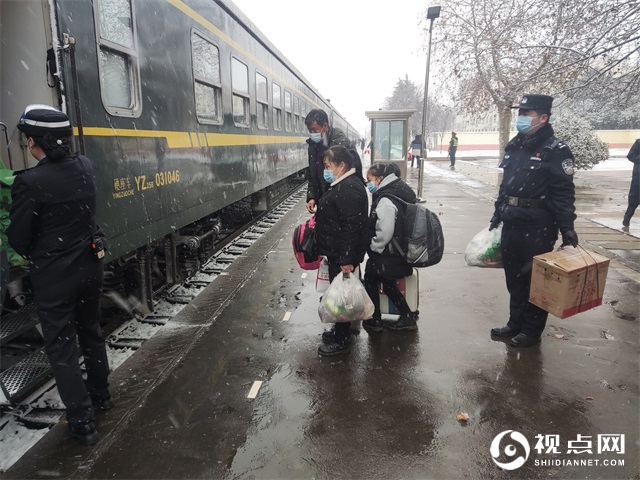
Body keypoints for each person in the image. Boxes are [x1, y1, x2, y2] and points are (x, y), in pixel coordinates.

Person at [7, 105, 112, 445]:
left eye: (28, 140)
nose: (27, 145)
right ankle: (102, 397)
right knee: (92, 334)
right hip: (89, 269)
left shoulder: (30, 182)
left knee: (62, 349)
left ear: (37, 142)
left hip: (55, 278)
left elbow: (19, 237)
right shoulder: (86, 166)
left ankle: (82, 423)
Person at [488, 94, 578, 348]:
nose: (521, 119)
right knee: (514, 279)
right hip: (512, 222)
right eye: (521, 114)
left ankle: (531, 330)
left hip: (538, 226)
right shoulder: (515, 145)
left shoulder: (555, 150)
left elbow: (563, 193)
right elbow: (506, 186)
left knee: (535, 282)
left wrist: (567, 227)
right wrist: (498, 213)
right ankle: (515, 323)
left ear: (543, 117)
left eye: (527, 115)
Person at [315, 145, 368, 356]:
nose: (325, 170)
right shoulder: (345, 184)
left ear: (341, 165)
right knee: (340, 295)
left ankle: (342, 340)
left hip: (342, 254)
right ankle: (339, 330)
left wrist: (347, 259)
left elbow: (351, 228)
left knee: (343, 296)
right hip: (338, 252)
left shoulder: (348, 189)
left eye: (328, 166)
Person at [362, 163, 419, 332]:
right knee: (386, 283)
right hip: (397, 251)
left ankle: (376, 319)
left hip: (388, 252)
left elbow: (385, 230)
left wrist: (375, 246)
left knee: (371, 279)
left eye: (370, 180)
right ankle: (406, 316)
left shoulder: (386, 199)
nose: (368, 184)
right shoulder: (396, 190)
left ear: (380, 179)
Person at [304, 109, 362, 214]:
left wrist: (331, 200)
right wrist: (311, 197)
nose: (312, 134)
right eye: (310, 130)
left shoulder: (341, 146)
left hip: (339, 200)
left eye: (315, 130)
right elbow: (312, 174)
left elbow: (351, 176)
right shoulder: (313, 146)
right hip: (325, 200)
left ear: (325, 126)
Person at [623, 138, 639, 228]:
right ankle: (627, 219)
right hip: (639, 178)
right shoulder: (639, 143)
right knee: (634, 200)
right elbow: (631, 155)